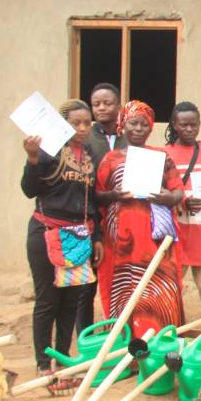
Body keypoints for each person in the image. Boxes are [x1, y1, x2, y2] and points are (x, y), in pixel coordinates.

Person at [21, 99, 99, 377]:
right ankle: (43, 363)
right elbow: (29, 190)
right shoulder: (46, 150)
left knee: (71, 301)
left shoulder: (89, 153)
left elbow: (91, 200)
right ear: (61, 125)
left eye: (86, 123)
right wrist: (31, 158)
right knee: (48, 300)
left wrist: (96, 236)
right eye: (75, 123)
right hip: (46, 234)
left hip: (78, 238)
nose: (81, 128)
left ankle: (63, 358)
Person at [95, 101, 185, 338]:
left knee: (159, 290)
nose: (138, 128)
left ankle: (159, 346)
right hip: (121, 242)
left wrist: (168, 197)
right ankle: (124, 349)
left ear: (151, 127)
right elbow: (97, 195)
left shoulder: (162, 157)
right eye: (133, 123)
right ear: (123, 125)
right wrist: (114, 195)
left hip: (155, 240)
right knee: (125, 291)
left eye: (144, 124)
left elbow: (178, 191)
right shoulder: (110, 160)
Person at [164, 101, 201, 317]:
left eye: (193, 125)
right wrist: (183, 201)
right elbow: (161, 192)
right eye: (184, 125)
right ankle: (173, 332)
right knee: (172, 287)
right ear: (174, 125)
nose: (189, 129)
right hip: (176, 234)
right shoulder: (163, 154)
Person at [79, 82, 125, 330]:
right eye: (96, 104)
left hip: (124, 221)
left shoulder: (128, 137)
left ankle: (117, 331)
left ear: (118, 105)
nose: (101, 108)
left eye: (107, 103)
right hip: (92, 218)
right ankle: (86, 334)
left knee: (120, 280)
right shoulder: (86, 139)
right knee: (86, 285)